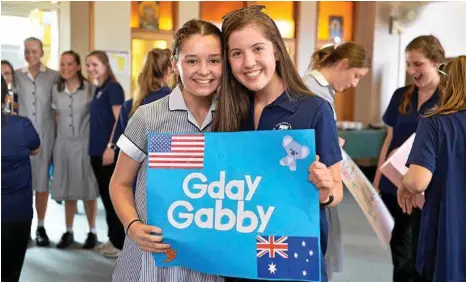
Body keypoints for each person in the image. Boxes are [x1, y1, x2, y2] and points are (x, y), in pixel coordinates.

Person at [213, 6, 343, 282]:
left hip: (291, 250)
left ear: (276, 51)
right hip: (239, 250)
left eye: (257, 48)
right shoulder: (228, 111)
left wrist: (325, 190)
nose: (248, 62)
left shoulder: (314, 109)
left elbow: (336, 192)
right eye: (237, 53)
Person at [109, 19, 224, 282]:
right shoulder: (148, 117)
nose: (203, 70)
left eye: (214, 60)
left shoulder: (234, 119)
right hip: (151, 261)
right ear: (174, 64)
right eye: (192, 61)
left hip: (209, 261)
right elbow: (120, 182)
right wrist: (133, 225)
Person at [373, 35, 445, 282]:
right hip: (393, 184)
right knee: (399, 249)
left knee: (423, 249)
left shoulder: (448, 100)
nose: (412, 70)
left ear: (436, 62)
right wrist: (377, 178)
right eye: (408, 64)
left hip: (426, 187)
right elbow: (389, 139)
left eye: (418, 64)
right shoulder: (400, 95)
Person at [302, 42, 370, 280]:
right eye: (355, 76)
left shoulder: (323, 90)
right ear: (343, 64)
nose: (354, 84)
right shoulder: (311, 90)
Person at [399, 55, 466, 282]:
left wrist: (405, 183)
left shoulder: (435, 121)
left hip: (450, 229)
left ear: (447, 84)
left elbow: (418, 181)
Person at [51, 51, 99, 249]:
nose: (65, 68)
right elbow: (56, 118)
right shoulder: (55, 90)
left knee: (88, 189)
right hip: (63, 145)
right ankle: (69, 231)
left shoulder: (90, 89)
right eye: (62, 64)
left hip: (83, 144)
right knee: (69, 190)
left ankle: (92, 231)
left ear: (78, 66)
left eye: (70, 64)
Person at [15, 37, 59, 247]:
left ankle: (40, 226)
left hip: (45, 137)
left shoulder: (54, 76)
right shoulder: (15, 76)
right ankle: (23, 227)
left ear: (42, 52)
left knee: (42, 184)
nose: (30, 55)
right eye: (26, 51)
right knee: (22, 184)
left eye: (34, 51)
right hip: (20, 139)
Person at [86, 50, 125, 258]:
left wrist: (111, 146)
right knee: (106, 198)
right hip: (96, 152)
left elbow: (119, 120)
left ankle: (120, 243)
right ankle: (113, 238)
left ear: (105, 65)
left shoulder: (114, 88)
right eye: (88, 65)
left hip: (107, 153)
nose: (91, 69)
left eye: (94, 64)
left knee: (113, 200)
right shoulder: (98, 89)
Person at [1, 74, 41, 282]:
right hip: (17, 214)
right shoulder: (22, 126)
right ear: (7, 99)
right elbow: (35, 149)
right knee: (11, 272)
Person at [112, 48, 172, 147]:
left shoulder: (129, 106)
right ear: (169, 70)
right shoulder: (178, 102)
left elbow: (121, 145)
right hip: (167, 160)